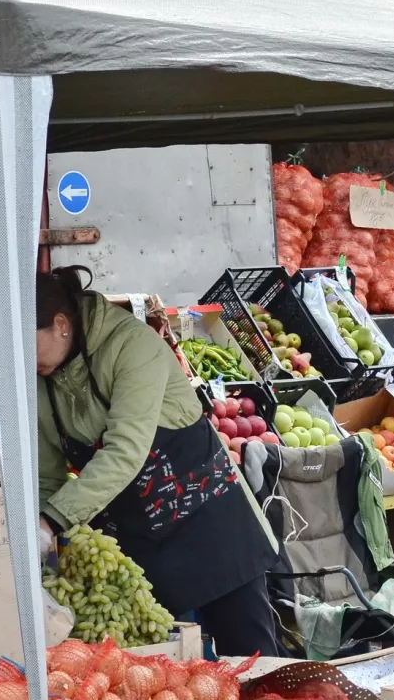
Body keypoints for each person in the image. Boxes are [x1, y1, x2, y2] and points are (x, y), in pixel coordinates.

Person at [35, 266, 281, 657]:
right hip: (141, 544)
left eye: (28, 346)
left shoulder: (133, 346)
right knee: (166, 672)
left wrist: (54, 520)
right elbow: (46, 473)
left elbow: (125, 449)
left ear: (61, 325)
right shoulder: (42, 379)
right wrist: (45, 541)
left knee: (251, 658)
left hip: (210, 528)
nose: (26, 362)